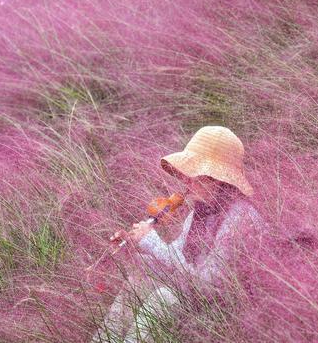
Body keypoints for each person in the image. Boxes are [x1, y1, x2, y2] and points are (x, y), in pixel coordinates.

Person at [91, 126, 265, 343]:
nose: (186, 182)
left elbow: (206, 285)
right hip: (194, 295)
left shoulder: (240, 219)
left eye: (193, 175)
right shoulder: (199, 213)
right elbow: (175, 260)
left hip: (225, 313)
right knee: (141, 277)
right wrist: (135, 252)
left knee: (164, 298)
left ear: (218, 180)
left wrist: (152, 242)